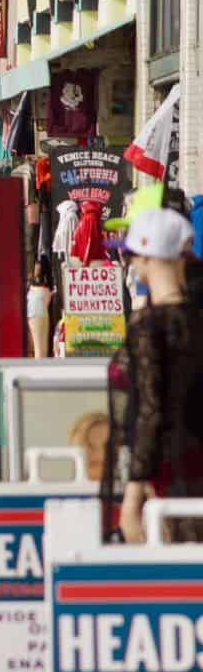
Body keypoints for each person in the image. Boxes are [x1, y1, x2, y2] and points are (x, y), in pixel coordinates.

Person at [105, 209, 203, 543]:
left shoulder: (149, 327)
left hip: (165, 477)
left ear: (146, 256)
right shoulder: (193, 319)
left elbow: (149, 411)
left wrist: (132, 497)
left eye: (130, 254)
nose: (129, 262)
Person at [27, 262, 52, 358]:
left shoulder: (35, 288)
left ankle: (38, 369)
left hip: (36, 311)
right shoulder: (41, 288)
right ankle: (39, 369)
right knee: (40, 348)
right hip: (38, 311)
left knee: (39, 348)